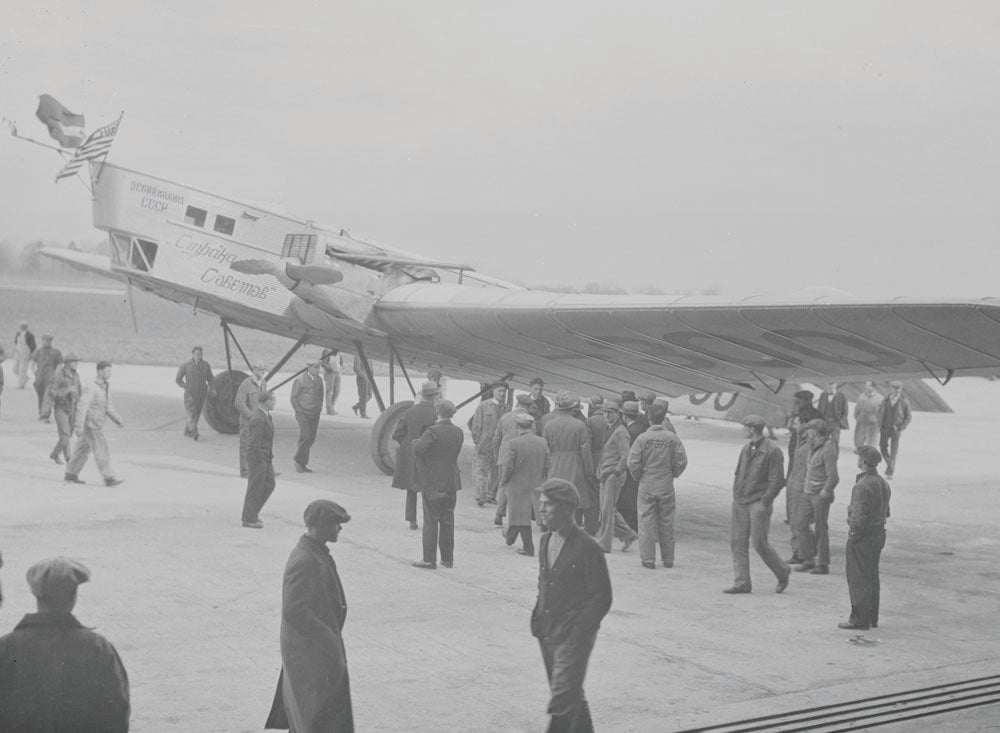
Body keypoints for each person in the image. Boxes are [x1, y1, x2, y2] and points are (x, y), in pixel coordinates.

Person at [0, 557, 130, 732]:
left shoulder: (5, 647)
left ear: (35, 594)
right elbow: (117, 715)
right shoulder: (98, 648)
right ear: (73, 596)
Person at [531, 478, 612, 733]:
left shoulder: (588, 547)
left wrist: (579, 631)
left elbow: (602, 596)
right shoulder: (545, 540)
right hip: (547, 633)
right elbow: (545, 582)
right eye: (541, 503)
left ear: (566, 508)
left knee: (562, 704)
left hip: (572, 638)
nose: (541, 509)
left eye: (548, 504)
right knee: (571, 695)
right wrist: (538, 616)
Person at [266, 500, 354, 732]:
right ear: (322, 525)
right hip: (311, 654)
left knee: (313, 715)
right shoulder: (305, 560)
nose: (340, 528)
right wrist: (328, 638)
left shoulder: (314, 553)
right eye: (336, 523)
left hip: (316, 652)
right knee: (314, 716)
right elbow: (294, 610)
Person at [724, 414, 790, 594]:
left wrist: (765, 501)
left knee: (760, 543)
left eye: (745, 426)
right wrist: (737, 494)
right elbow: (738, 473)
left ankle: (782, 571)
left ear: (752, 429)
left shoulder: (773, 451)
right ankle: (742, 582)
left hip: (758, 503)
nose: (743, 429)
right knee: (737, 542)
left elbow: (777, 480)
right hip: (741, 501)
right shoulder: (746, 448)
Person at [627, 399, 688, 569]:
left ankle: (648, 559)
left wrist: (638, 476)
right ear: (663, 417)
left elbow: (633, 462)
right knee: (666, 521)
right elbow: (681, 461)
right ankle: (668, 559)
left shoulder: (643, 438)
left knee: (646, 522)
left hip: (647, 482)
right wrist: (673, 473)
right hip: (666, 483)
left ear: (649, 418)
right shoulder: (672, 438)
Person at [840, 447, 891, 631]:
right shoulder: (883, 483)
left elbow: (858, 517)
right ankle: (871, 617)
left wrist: (853, 535)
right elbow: (887, 512)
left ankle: (859, 619)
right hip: (878, 533)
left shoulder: (861, 486)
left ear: (863, 461)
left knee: (858, 578)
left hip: (863, 536)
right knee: (872, 576)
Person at [412, 400, 464, 569]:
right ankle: (447, 559)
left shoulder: (432, 431)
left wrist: (415, 442)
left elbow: (418, 450)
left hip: (433, 481)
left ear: (437, 412)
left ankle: (429, 559)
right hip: (451, 481)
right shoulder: (459, 432)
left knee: (431, 520)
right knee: (448, 520)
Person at [543, 392, 597, 533]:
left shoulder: (549, 425)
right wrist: (589, 471)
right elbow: (585, 451)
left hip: (555, 465)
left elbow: (545, 450)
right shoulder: (579, 425)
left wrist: (545, 469)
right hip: (575, 466)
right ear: (572, 408)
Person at [65, 361, 124, 486]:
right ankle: (108, 477)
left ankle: (71, 473)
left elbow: (108, 407)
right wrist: (79, 426)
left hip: (94, 424)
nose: (109, 373)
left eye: (110, 371)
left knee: (81, 450)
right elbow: (82, 406)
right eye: (107, 371)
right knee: (101, 449)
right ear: (99, 371)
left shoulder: (105, 387)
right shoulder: (92, 387)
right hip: (91, 425)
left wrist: (118, 420)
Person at [498, 413, 550, 556]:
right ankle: (510, 537)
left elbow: (508, 466)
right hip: (536, 482)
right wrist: (541, 477)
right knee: (521, 513)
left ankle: (528, 547)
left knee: (520, 515)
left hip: (517, 484)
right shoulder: (542, 442)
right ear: (532, 426)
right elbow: (547, 464)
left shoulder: (513, 443)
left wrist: (504, 481)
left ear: (516, 426)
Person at [793, 420, 840, 575]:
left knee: (820, 528)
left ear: (817, 432)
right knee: (800, 524)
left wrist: (825, 492)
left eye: (810, 430)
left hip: (819, 495)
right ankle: (808, 559)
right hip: (808, 493)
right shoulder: (813, 446)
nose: (807, 432)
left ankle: (823, 563)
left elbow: (834, 477)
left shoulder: (828, 450)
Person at [392, 381, 440, 530]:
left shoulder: (410, 412)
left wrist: (408, 445)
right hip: (430, 455)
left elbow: (398, 433)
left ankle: (412, 520)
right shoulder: (437, 413)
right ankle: (429, 519)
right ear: (435, 396)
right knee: (429, 489)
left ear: (422, 395)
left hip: (411, 454)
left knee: (411, 489)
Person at [595, 399, 638, 554]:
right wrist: (600, 468)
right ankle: (628, 535)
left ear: (617, 413)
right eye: (605, 412)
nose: (607, 415)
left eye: (610, 412)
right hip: (605, 473)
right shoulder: (609, 428)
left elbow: (626, 456)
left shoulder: (621, 432)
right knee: (607, 509)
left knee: (607, 511)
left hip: (613, 475)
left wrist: (616, 473)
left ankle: (605, 543)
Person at [493, 393, 535, 525]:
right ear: (528, 406)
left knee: (503, 484)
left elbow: (496, 438)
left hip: (504, 455)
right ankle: (515, 516)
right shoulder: (530, 420)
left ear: (517, 404)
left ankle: (499, 514)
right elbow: (532, 439)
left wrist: (497, 455)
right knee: (519, 487)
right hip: (521, 456)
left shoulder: (505, 417)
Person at [784, 419, 820, 565]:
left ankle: (800, 553)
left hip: (801, 487)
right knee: (796, 520)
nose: (793, 425)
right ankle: (809, 549)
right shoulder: (800, 441)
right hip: (794, 484)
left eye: (797, 423)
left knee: (797, 521)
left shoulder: (810, 446)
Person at [786, 389, 824, 521]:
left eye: (798, 401)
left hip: (801, 448)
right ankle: (796, 515)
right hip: (801, 447)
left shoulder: (803, 414)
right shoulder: (817, 414)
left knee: (795, 481)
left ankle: (793, 515)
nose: (796, 404)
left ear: (806, 401)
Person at [242, 391, 277, 528]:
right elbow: (254, 443)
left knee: (270, 484)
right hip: (258, 458)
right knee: (255, 488)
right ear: (266, 402)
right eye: (273, 400)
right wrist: (259, 461)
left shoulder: (266, 416)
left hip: (266, 457)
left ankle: (252, 513)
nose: (274, 402)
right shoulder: (259, 418)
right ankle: (249, 519)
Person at [470, 382, 508, 506]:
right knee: (481, 470)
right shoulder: (483, 406)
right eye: (499, 391)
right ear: (493, 391)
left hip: (499, 444)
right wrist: (478, 441)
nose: (502, 393)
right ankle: (481, 496)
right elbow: (476, 424)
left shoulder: (506, 408)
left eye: (504, 391)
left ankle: (491, 495)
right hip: (484, 444)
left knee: (496, 471)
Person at [616, 400, 645, 532]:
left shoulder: (630, 431)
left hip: (630, 469)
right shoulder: (641, 428)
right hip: (640, 468)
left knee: (627, 498)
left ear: (625, 415)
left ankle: (628, 526)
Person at [48, 353, 82, 465]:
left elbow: (79, 391)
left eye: (76, 362)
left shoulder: (76, 376)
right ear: (67, 363)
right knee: (65, 435)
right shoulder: (58, 376)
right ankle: (58, 455)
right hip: (60, 408)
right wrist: (66, 390)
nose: (76, 364)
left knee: (68, 435)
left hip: (72, 408)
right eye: (73, 362)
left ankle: (66, 457)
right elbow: (52, 393)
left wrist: (79, 402)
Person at [235, 364, 268, 478]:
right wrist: (252, 415)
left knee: (259, 445)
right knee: (246, 445)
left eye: (264, 369)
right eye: (260, 369)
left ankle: (258, 469)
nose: (262, 371)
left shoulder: (263, 383)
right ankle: (245, 471)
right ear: (254, 370)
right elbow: (239, 403)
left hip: (259, 421)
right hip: (247, 422)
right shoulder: (246, 384)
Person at [291, 361, 324, 473]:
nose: (317, 370)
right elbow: (294, 398)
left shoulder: (319, 380)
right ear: (309, 367)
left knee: (311, 438)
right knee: (305, 436)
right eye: (315, 367)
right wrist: (299, 411)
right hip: (303, 413)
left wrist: (319, 409)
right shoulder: (300, 380)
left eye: (318, 367)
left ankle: (303, 463)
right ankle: (298, 460)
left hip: (315, 413)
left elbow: (321, 396)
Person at [175, 345, 214, 440]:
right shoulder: (185, 365)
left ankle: (188, 431)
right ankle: (194, 431)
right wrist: (186, 387)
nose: (199, 356)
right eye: (197, 354)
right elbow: (178, 379)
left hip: (201, 393)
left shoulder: (206, 365)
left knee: (196, 413)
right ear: (193, 354)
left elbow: (210, 378)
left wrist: (213, 388)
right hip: (190, 394)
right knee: (190, 413)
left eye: (201, 354)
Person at [877, 380, 911, 479]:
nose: (896, 392)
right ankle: (890, 465)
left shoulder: (904, 402)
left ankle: (890, 473)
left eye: (898, 390)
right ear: (891, 389)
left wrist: (901, 427)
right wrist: (879, 425)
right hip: (884, 428)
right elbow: (879, 413)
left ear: (901, 390)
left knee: (893, 451)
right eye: (895, 390)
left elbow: (908, 417)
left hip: (896, 430)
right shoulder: (885, 400)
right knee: (882, 447)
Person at [31, 334, 62, 420]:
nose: (47, 342)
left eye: (48, 340)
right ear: (42, 341)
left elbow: (60, 364)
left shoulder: (56, 352)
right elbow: (32, 362)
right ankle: (41, 412)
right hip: (39, 377)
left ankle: (45, 414)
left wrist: (56, 373)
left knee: (48, 395)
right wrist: (34, 371)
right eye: (45, 340)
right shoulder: (38, 351)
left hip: (50, 376)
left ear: (51, 341)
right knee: (40, 395)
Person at [818, 382, 849, 451]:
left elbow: (845, 411)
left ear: (835, 385)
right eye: (829, 385)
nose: (830, 387)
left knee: (835, 442)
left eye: (832, 385)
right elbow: (819, 408)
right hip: (824, 423)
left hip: (836, 423)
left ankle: (833, 457)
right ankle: (822, 457)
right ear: (826, 385)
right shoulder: (823, 395)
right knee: (822, 442)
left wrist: (840, 422)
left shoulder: (842, 396)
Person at [853, 381, 883, 450]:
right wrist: (857, 418)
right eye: (866, 385)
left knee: (871, 447)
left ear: (873, 387)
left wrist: (877, 423)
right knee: (858, 445)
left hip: (872, 426)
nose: (866, 387)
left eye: (868, 386)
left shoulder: (880, 399)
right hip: (861, 424)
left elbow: (882, 414)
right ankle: (860, 456)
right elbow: (857, 409)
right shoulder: (861, 396)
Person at [319, 348, 344, 415]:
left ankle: (331, 406)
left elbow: (340, 360)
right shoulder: (327, 351)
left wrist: (342, 365)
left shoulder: (338, 351)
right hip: (330, 373)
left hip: (337, 372)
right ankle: (329, 410)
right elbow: (323, 362)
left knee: (337, 391)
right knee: (329, 391)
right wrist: (329, 369)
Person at [12, 321, 35, 389]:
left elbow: (33, 346)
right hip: (17, 353)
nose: (21, 327)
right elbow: (16, 342)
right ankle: (25, 378)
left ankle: (21, 385)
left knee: (22, 370)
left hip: (25, 354)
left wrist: (31, 354)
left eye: (23, 326)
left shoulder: (30, 335)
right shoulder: (18, 333)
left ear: (26, 327)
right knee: (15, 369)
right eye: (21, 326)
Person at [351, 353, 372, 418]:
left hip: (369, 378)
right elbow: (356, 368)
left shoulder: (368, 356)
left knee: (369, 395)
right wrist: (364, 377)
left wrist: (371, 377)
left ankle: (357, 406)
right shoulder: (358, 355)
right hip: (362, 379)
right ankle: (363, 413)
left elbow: (371, 368)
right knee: (363, 395)